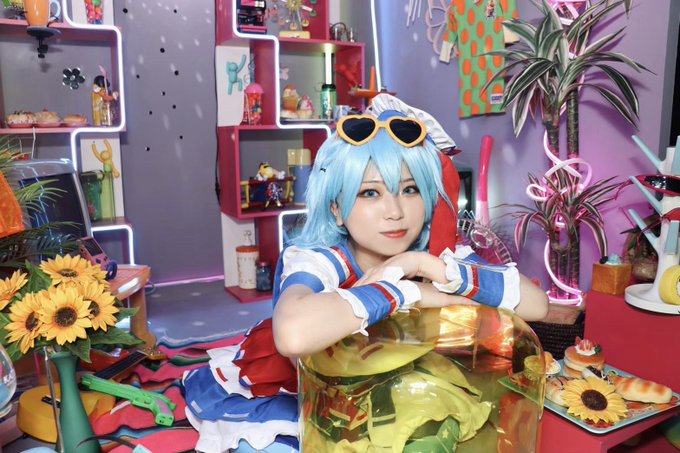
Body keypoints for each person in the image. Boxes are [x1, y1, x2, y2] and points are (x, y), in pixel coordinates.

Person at [183, 94, 548, 452]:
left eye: (409, 190)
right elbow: (292, 335)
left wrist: (419, 265)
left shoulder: (438, 255)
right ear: (336, 209)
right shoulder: (321, 259)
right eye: (370, 193)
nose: (395, 211)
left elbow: (537, 304)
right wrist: (410, 291)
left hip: (395, 385)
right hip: (308, 388)